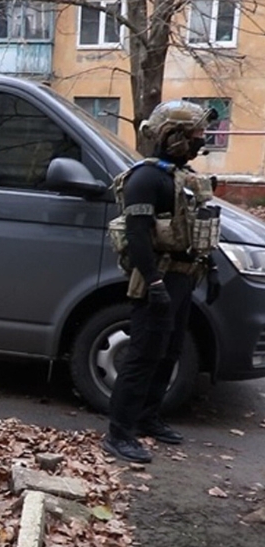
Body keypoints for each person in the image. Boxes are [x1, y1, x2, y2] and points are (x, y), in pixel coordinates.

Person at [103, 100, 222, 463]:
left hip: (184, 279)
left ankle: (146, 418)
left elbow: (197, 230)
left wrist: (211, 268)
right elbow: (138, 236)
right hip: (158, 279)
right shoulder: (145, 178)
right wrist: (154, 284)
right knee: (142, 356)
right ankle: (119, 434)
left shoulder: (181, 178)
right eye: (195, 136)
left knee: (169, 352)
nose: (201, 143)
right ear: (172, 136)